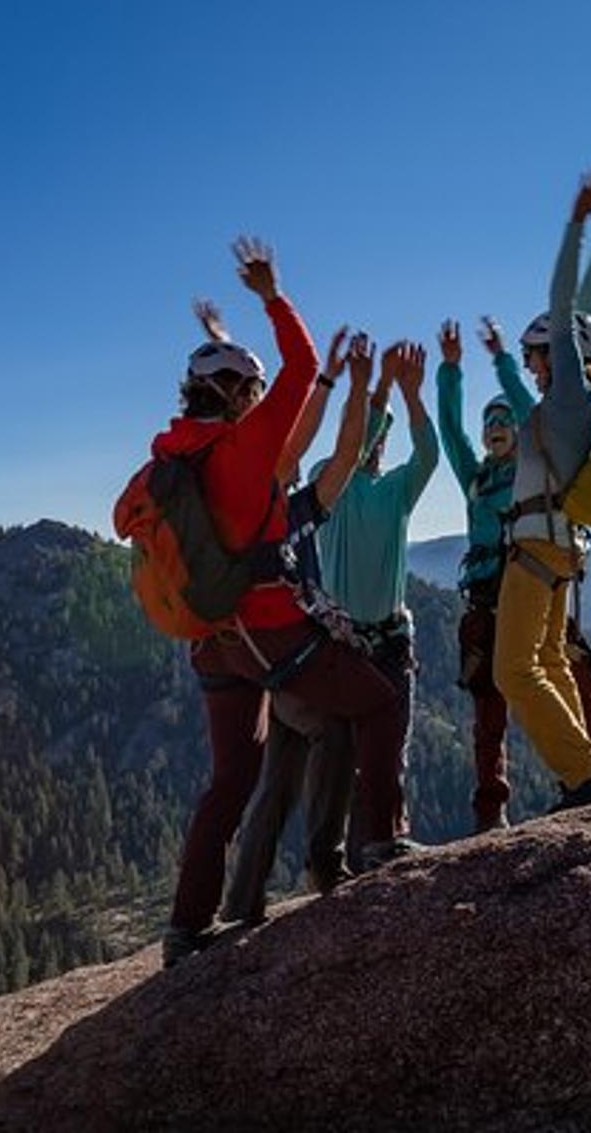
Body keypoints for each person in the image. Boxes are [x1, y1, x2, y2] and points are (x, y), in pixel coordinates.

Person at [152, 238, 407, 968]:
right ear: (238, 397)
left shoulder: (175, 457)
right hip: (266, 627)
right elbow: (296, 378)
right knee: (377, 702)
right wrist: (271, 295)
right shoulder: (244, 457)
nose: (262, 406)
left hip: (210, 638)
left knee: (235, 775)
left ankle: (188, 925)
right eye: (251, 395)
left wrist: (220, 342)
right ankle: (378, 843)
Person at [437, 305, 591, 832]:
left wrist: (504, 359)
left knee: (524, 673)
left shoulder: (541, 437)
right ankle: (574, 782)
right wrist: (450, 373)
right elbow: (450, 434)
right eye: (491, 422)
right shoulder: (478, 478)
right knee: (541, 670)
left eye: (504, 419)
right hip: (500, 588)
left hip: (533, 561)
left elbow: (531, 395)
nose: (497, 428)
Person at [219, 330, 379, 927]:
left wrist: (358, 386)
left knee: (279, 779)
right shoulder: (266, 502)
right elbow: (311, 446)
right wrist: (334, 381)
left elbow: (345, 455)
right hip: (282, 655)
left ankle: (242, 901)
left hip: (278, 657)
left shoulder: (296, 506)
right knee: (335, 731)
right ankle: (325, 862)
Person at [491, 169, 591, 810]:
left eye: (535, 355)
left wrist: (576, 225)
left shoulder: (570, 399)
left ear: (557, 353)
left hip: (537, 549)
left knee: (513, 670)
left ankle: (587, 777)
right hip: (559, 549)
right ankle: (588, 772)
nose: (531, 365)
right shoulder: (574, 402)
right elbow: (582, 319)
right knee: (547, 663)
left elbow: (568, 309)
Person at [310, 339, 437, 869]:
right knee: (345, 757)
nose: (375, 447)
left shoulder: (394, 491)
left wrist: (410, 394)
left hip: (384, 640)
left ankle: (376, 847)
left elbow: (427, 454)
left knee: (385, 751)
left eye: (378, 439)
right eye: (368, 437)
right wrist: (379, 388)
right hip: (347, 644)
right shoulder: (329, 483)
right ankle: (345, 855)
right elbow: (350, 445)